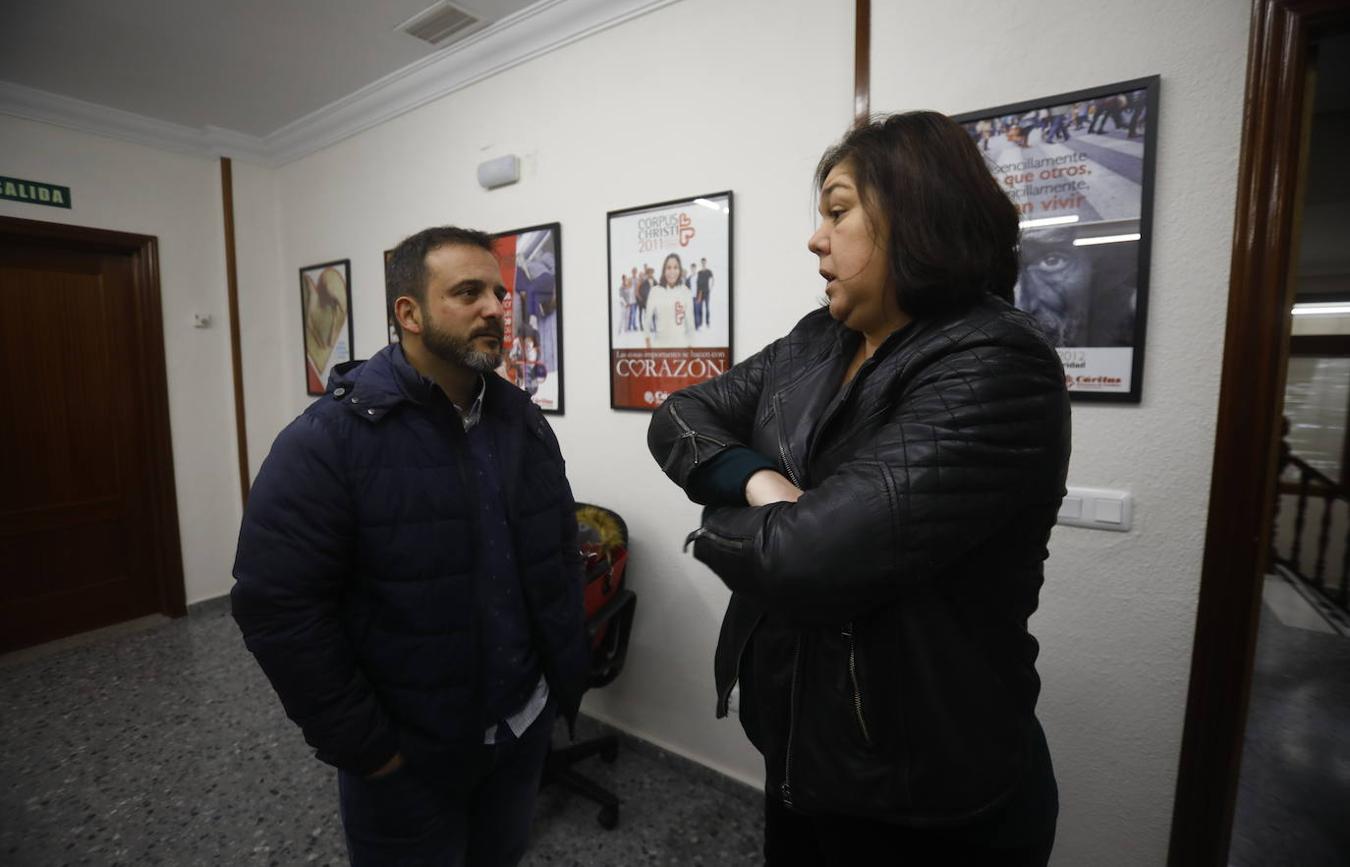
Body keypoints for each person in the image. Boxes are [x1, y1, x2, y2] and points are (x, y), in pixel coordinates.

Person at [647, 112, 1070, 866]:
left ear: (918, 210)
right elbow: (680, 414)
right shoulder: (817, 340)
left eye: (838, 210)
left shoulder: (997, 362)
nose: (817, 238)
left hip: (919, 796)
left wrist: (725, 519)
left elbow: (809, 560)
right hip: (802, 755)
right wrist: (757, 480)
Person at [231, 225, 588, 867]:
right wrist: (370, 749)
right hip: (409, 758)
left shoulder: (522, 420)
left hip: (521, 727)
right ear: (410, 313)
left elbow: (557, 550)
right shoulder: (328, 442)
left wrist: (557, 678)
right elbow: (278, 609)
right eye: (469, 292)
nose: (495, 309)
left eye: (499, 294)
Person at [646, 252, 696, 348]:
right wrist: (648, 346)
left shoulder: (686, 292)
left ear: (680, 270)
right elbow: (647, 320)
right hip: (659, 349)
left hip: (681, 349)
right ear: (664, 270)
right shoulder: (655, 291)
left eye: (675, 267)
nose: (672, 271)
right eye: (668, 268)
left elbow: (690, 325)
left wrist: (690, 349)